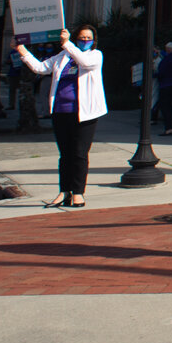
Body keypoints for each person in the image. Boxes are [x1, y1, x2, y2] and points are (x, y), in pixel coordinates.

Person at [15, 26, 106, 208]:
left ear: (93, 40)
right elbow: (41, 68)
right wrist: (22, 50)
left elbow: (84, 63)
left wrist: (67, 44)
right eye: (81, 37)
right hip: (61, 112)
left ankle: (78, 193)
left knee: (79, 153)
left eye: (88, 38)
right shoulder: (62, 57)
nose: (85, 40)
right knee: (65, 155)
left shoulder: (95, 55)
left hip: (84, 114)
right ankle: (64, 191)